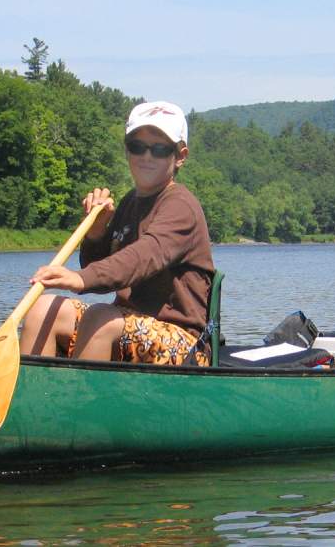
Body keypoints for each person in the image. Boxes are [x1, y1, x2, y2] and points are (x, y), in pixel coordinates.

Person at [19, 100, 216, 366]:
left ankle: (85, 403)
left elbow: (143, 256)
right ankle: (30, 400)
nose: (146, 156)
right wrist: (97, 232)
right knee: (44, 309)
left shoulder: (180, 206)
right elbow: (102, 272)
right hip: (124, 322)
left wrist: (80, 278)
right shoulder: (130, 203)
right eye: (137, 147)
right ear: (127, 151)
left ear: (180, 155)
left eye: (159, 149)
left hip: (184, 345)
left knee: (101, 319)